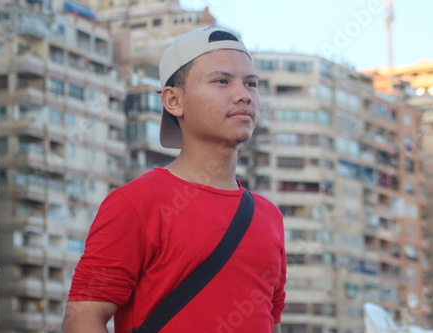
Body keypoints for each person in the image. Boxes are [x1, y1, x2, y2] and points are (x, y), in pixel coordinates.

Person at [63, 27, 286, 333]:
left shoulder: (269, 216)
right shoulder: (136, 203)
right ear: (173, 101)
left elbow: (269, 322)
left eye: (251, 83)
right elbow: (83, 317)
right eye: (222, 81)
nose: (243, 95)